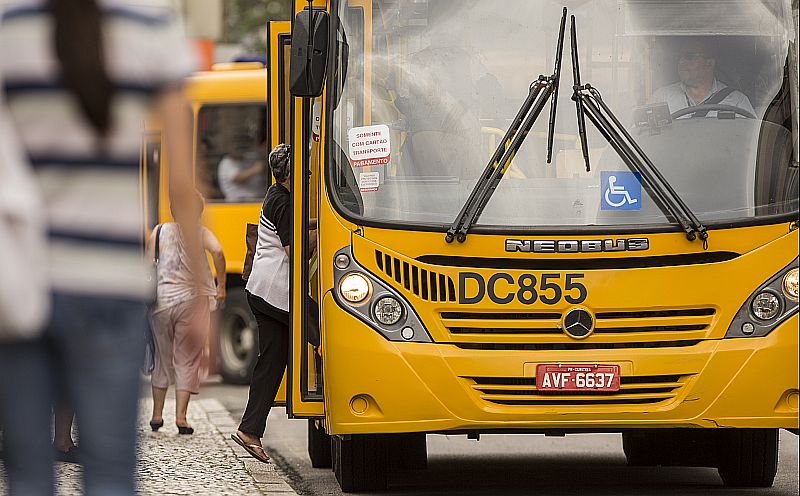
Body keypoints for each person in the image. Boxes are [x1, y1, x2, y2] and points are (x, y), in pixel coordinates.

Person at [0, 1, 199, 494]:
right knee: (110, 474)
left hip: (21, 284)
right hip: (109, 287)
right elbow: (180, 187)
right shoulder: (151, 21)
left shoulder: (12, 24)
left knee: (27, 475)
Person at [231, 143, 315, 463]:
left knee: (272, 362)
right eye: (304, 168)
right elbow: (295, 252)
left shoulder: (277, 195)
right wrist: (325, 234)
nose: (309, 172)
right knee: (318, 327)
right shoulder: (284, 201)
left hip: (265, 290)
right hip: (275, 292)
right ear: (290, 172)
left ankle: (249, 431)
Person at [147, 191, 226, 435]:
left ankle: (157, 415)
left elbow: (147, 264)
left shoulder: (159, 232)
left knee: (162, 358)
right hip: (193, 301)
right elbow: (219, 252)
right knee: (187, 359)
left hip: (161, 303)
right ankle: (181, 418)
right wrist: (221, 285)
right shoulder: (200, 233)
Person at [651, 38, 755, 118]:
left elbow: (752, 139)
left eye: (689, 56)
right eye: (679, 57)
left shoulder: (737, 102)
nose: (681, 62)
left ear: (709, 63)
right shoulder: (661, 98)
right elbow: (641, 136)